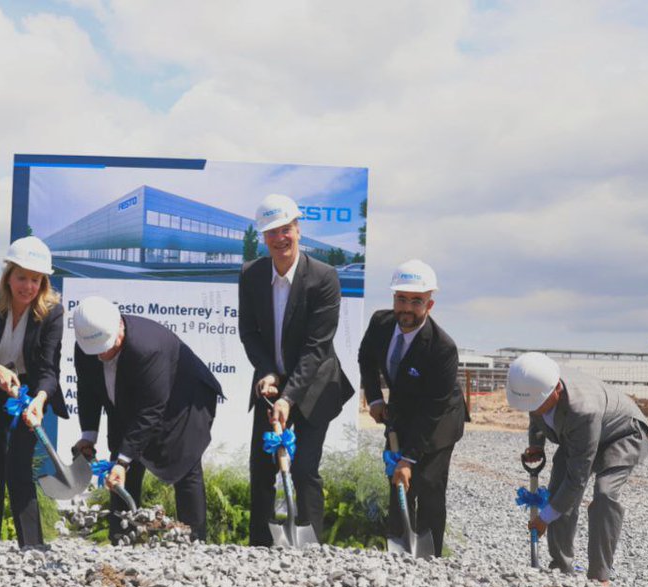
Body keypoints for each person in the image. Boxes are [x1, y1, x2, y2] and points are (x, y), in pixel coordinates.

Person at [238, 194, 354, 546]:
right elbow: (249, 332)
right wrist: (267, 372)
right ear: (264, 237)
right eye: (272, 232)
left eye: (285, 229)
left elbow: (317, 346)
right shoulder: (251, 275)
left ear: (298, 230)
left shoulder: (323, 277)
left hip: (315, 385)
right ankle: (259, 546)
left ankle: (309, 548)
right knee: (262, 468)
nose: (280, 238)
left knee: (303, 470)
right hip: (270, 385)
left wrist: (289, 398)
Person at [71, 296, 223, 543]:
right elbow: (88, 388)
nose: (103, 354)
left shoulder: (148, 347)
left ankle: (194, 541)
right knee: (119, 467)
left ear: (119, 327)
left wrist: (124, 460)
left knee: (185, 465)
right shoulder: (86, 345)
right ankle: (122, 539)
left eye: (107, 346)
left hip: (183, 402)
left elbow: (150, 410)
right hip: (129, 401)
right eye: (96, 350)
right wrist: (88, 436)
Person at [506, 352, 648, 585]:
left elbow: (577, 479)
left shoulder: (582, 409)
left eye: (538, 405)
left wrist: (544, 518)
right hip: (579, 435)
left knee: (604, 494)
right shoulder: (539, 386)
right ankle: (561, 569)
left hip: (622, 434)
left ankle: (599, 577)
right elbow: (535, 412)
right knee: (558, 493)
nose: (534, 410)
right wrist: (536, 445)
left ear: (557, 389)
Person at [357, 259, 466, 557]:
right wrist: (375, 398)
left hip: (440, 417)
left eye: (416, 301)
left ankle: (430, 556)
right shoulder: (381, 323)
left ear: (429, 304)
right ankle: (399, 548)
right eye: (401, 299)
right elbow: (366, 357)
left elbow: (432, 410)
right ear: (394, 298)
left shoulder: (442, 348)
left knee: (428, 483)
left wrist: (409, 458)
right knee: (397, 480)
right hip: (401, 409)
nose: (407, 308)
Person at [0, 236, 67, 550]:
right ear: (9, 275)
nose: (28, 286)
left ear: (43, 282)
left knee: (20, 466)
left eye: (36, 280)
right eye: (22, 277)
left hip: (31, 394)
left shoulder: (53, 312)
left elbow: (49, 370)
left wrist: (39, 400)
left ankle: (32, 548)